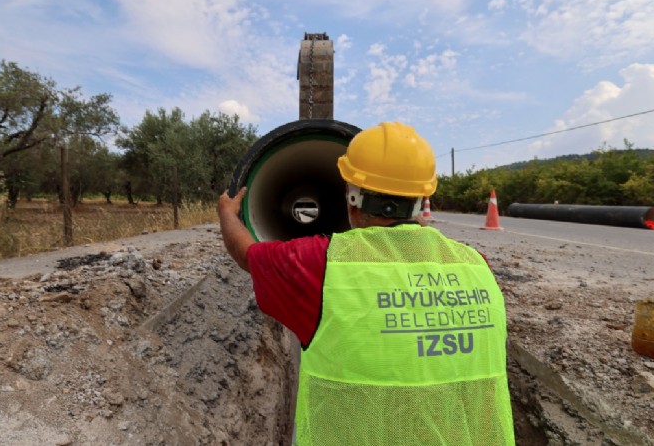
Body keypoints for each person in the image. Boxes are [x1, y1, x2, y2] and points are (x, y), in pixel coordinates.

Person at [217, 122, 515, 445]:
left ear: (352, 196)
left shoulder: (320, 265)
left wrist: (228, 216)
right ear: (422, 198)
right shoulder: (477, 267)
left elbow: (249, 255)